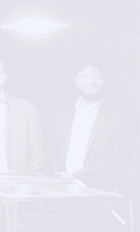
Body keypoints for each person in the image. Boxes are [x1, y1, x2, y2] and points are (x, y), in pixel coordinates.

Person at [48, 63, 134, 194]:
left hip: (101, 193)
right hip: (62, 192)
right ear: (75, 80)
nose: (90, 81)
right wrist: (62, 179)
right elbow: (52, 151)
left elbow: (118, 159)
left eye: (97, 76)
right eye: (83, 76)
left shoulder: (120, 117)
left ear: (106, 80)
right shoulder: (61, 115)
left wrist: (74, 178)